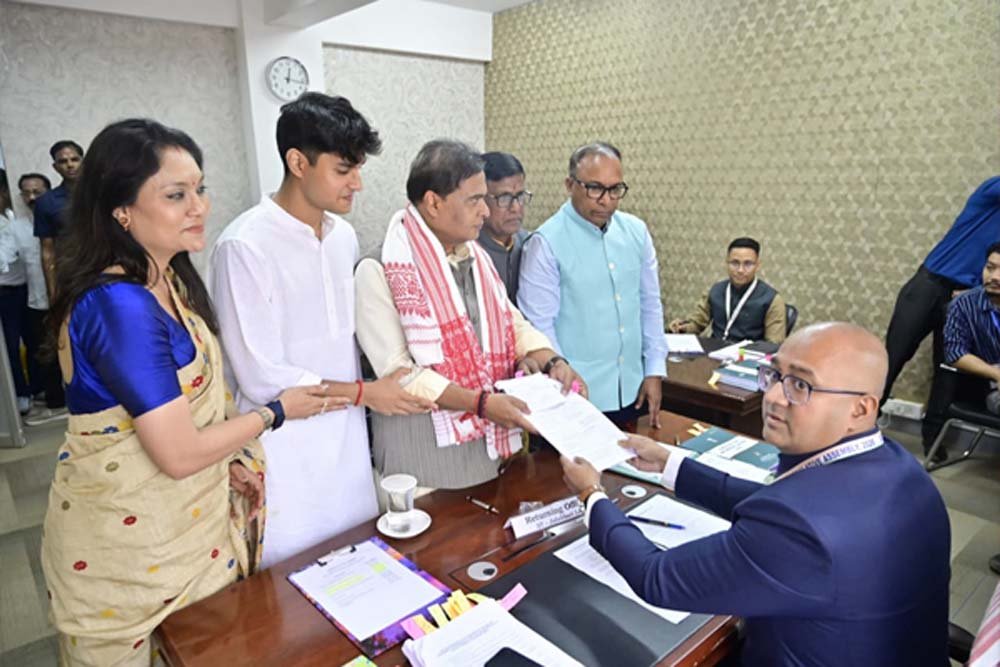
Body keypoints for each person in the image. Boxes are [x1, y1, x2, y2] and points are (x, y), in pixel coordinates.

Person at [40, 118, 330, 665]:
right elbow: (176, 454)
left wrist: (229, 463)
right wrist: (275, 412)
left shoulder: (169, 280)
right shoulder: (120, 305)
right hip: (127, 559)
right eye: (176, 195)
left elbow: (192, 412)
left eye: (199, 189)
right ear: (121, 210)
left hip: (192, 537)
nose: (199, 206)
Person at [561, 322, 950, 666]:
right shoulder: (904, 470)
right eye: (775, 375)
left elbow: (657, 578)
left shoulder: (800, 529)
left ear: (860, 409)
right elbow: (773, 501)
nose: (775, 397)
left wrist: (592, 495)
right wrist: (670, 464)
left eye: (801, 385)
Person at [210, 93, 432, 568]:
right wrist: (365, 393)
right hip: (284, 449)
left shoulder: (342, 237)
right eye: (344, 169)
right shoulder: (244, 246)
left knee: (360, 564)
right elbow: (262, 378)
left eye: (358, 168)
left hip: (346, 442)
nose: (358, 183)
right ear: (298, 163)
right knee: (291, 579)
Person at [355, 139, 586, 489]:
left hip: (488, 455)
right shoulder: (379, 269)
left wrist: (551, 360)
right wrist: (482, 404)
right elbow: (400, 375)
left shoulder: (475, 258)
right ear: (433, 202)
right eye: (475, 200)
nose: (486, 212)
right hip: (422, 465)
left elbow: (513, 323)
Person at [519, 142, 667, 428]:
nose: (606, 200)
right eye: (595, 188)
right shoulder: (545, 242)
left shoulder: (636, 232)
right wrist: (562, 381)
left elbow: (650, 304)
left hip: (633, 387)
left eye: (615, 189)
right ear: (569, 185)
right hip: (576, 394)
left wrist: (654, 369)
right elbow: (539, 326)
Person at [883, 176, 1000, 406]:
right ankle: (859, 421)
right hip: (930, 284)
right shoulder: (991, 192)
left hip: (966, 297)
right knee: (892, 358)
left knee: (949, 372)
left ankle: (935, 430)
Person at [17, 171, 67, 425]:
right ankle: (55, 402)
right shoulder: (16, 228)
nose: (32, 197)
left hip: (65, 294)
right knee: (46, 352)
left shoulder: (60, 220)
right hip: (37, 300)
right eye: (27, 192)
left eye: (37, 191)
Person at [668, 237, 786, 343]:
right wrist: (682, 328)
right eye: (735, 263)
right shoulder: (716, 290)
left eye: (748, 264)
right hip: (714, 352)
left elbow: (773, 345)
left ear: (757, 265)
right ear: (726, 263)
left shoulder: (772, 300)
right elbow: (697, 324)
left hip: (747, 356)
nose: (740, 270)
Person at [477, 151, 531, 301]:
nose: (515, 208)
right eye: (504, 198)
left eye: (520, 196)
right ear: (480, 199)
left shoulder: (531, 244)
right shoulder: (467, 252)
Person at [34, 139, 84, 299]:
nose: (70, 165)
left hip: (108, 269)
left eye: (74, 159)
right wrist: (52, 292)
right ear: (55, 167)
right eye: (63, 161)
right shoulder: (46, 202)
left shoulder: (102, 193)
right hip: (73, 273)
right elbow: (47, 251)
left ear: (83, 162)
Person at [0, 170, 31, 413]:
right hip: (5, 293)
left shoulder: (12, 217)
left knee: (33, 340)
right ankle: (20, 394)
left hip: (25, 287)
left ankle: (35, 388)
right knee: (10, 346)